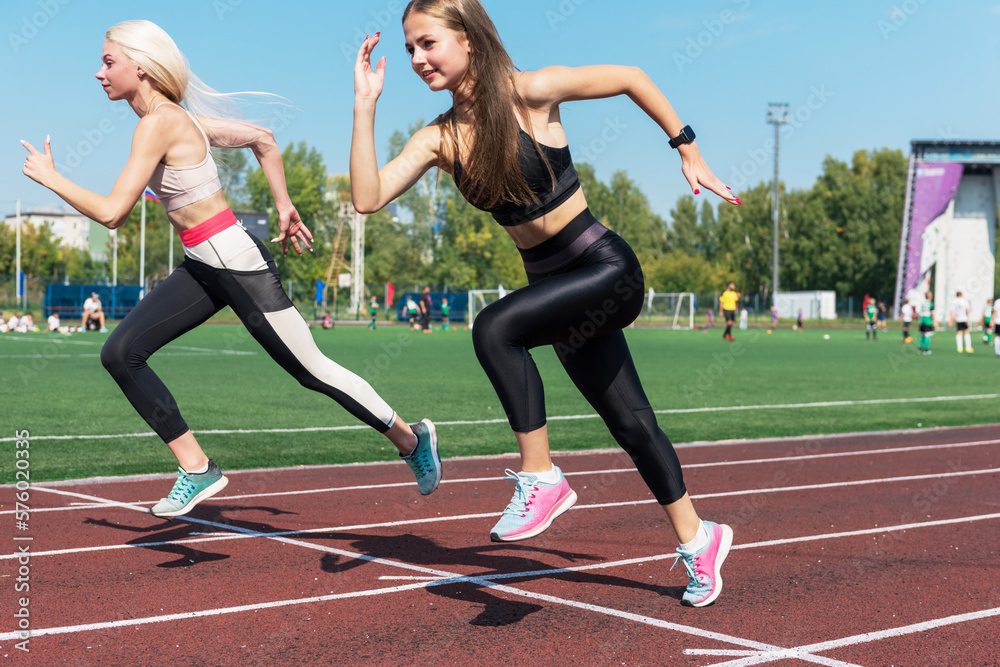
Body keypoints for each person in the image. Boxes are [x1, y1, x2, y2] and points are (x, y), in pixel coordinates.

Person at [351, 0, 739, 607]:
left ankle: (541, 477)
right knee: (632, 425)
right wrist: (365, 104)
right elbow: (367, 197)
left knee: (494, 328)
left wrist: (685, 145)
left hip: (606, 270)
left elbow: (632, 78)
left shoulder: (532, 92)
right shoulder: (440, 137)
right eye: (408, 50)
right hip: (557, 296)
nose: (416, 59)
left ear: (469, 40)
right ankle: (700, 539)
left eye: (428, 43)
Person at [21, 19, 440, 519]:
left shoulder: (161, 122)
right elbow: (263, 138)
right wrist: (283, 205)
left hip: (236, 264)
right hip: (202, 264)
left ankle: (411, 439)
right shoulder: (174, 119)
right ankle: (197, 467)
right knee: (121, 351)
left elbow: (113, 213)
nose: (99, 73)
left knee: (312, 371)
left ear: (141, 67)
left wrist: (53, 179)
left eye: (108, 62)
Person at [918, 290, 935, 355]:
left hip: (922, 320)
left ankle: (919, 349)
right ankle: (926, 350)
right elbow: (932, 313)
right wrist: (934, 321)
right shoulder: (930, 304)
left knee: (922, 334)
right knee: (927, 335)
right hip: (928, 320)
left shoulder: (922, 303)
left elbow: (919, 312)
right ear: (930, 296)